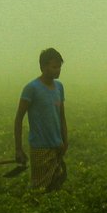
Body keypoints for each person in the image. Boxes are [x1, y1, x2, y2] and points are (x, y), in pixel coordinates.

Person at [14, 48, 68, 191]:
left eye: (59, 67)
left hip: (57, 146)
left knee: (55, 186)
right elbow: (19, 119)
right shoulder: (31, 88)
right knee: (39, 190)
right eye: (54, 67)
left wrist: (65, 140)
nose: (58, 70)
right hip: (40, 147)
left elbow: (61, 117)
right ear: (43, 67)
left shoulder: (59, 87)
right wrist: (18, 149)